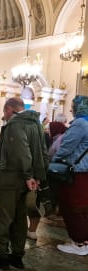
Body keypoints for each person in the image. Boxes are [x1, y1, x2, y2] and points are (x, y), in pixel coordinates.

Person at [0, 97, 48, 270]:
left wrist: (27, 175)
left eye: (4, 111)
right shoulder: (35, 124)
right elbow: (42, 151)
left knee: (2, 215)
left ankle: (0, 255)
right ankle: (16, 255)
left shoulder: (14, 124)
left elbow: (21, 152)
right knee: (19, 217)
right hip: (27, 180)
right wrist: (37, 176)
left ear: (10, 109)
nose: (4, 115)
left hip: (10, 178)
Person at [53, 95, 88, 255]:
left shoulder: (80, 123)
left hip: (75, 171)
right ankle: (84, 241)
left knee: (72, 207)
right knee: (82, 208)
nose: (70, 109)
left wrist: (54, 161)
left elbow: (66, 147)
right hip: (84, 171)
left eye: (72, 106)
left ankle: (79, 244)